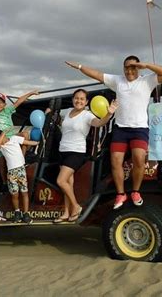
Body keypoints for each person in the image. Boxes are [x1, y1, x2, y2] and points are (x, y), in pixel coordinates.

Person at [65, 56, 162, 209]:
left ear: (138, 68)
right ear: (123, 69)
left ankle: (135, 191)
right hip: (121, 128)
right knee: (115, 160)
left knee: (139, 158)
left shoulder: (147, 80)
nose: (129, 70)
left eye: (133, 67)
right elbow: (97, 74)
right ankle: (120, 194)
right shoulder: (118, 81)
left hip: (139, 128)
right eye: (127, 67)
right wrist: (80, 66)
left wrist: (146, 65)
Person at [54, 89, 118, 223]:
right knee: (68, 183)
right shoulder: (67, 113)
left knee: (61, 181)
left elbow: (99, 123)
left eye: (82, 99)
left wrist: (108, 114)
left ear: (86, 102)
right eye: (76, 98)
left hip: (76, 152)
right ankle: (66, 212)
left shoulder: (87, 115)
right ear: (73, 99)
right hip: (63, 150)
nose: (79, 101)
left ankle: (76, 207)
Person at [0, 90, 39, 190]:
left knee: (25, 134)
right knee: (2, 163)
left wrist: (31, 93)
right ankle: (5, 184)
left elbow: (19, 101)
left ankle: (22, 160)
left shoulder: (8, 110)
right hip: (1, 141)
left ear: (4, 104)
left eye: (1, 102)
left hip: (12, 138)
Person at [0, 130, 39, 223]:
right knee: (14, 194)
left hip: (21, 170)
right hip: (11, 173)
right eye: (0, 137)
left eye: (0, 137)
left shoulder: (14, 139)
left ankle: (26, 214)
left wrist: (37, 142)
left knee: (24, 192)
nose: (0, 139)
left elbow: (27, 142)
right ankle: (17, 213)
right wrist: (4, 132)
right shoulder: (2, 147)